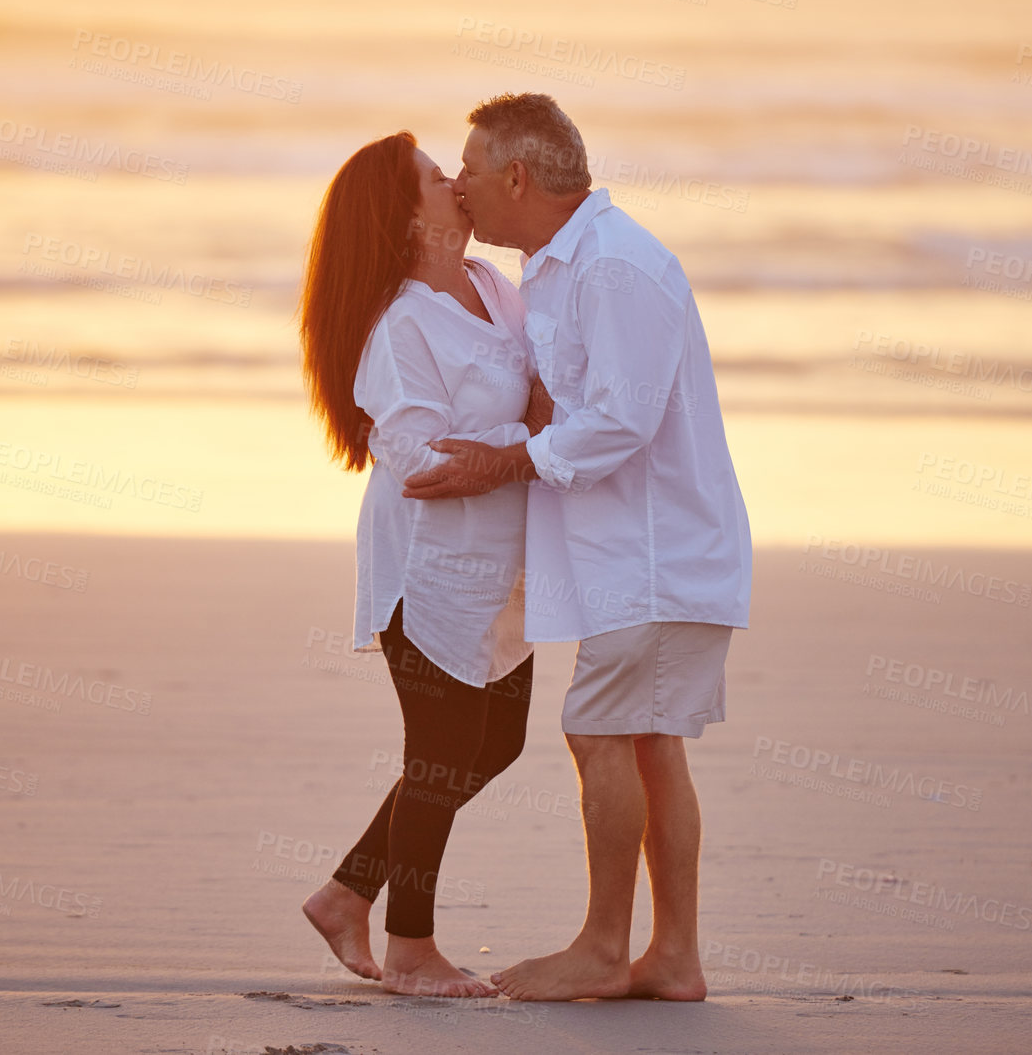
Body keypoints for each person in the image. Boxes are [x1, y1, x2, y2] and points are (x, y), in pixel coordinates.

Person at [403, 93, 753, 1002]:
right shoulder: (561, 268)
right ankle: (671, 957)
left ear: (516, 175)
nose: (459, 186)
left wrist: (500, 463)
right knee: (646, 742)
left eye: (470, 170)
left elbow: (621, 422)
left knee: (599, 731)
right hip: (641, 554)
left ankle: (604, 947)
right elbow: (572, 399)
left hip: (656, 551)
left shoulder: (612, 267)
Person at [295, 129, 552, 998]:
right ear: (407, 219)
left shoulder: (493, 287)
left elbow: (541, 386)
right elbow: (414, 456)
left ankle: (344, 893)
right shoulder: (403, 325)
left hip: (502, 561)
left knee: (498, 741)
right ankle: (410, 947)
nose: (458, 182)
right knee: (441, 750)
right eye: (438, 178)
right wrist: (540, 445)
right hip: (429, 568)